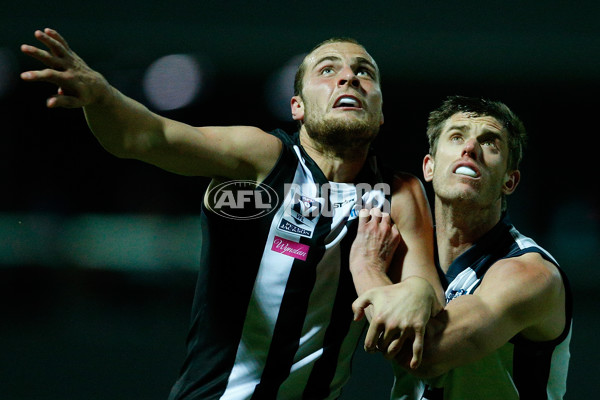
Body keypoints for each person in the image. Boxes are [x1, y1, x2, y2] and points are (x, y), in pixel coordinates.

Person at [21, 29, 444, 399]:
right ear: (297, 106)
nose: (349, 76)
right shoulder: (263, 159)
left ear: (381, 110)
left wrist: (419, 293)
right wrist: (101, 95)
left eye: (364, 71)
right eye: (328, 70)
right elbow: (147, 135)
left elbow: (424, 304)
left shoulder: (399, 194)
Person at [351, 96, 572, 399]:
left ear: (510, 180)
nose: (470, 149)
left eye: (490, 143)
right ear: (429, 167)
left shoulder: (530, 274)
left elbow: (427, 355)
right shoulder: (404, 248)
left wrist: (366, 269)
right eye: (456, 137)